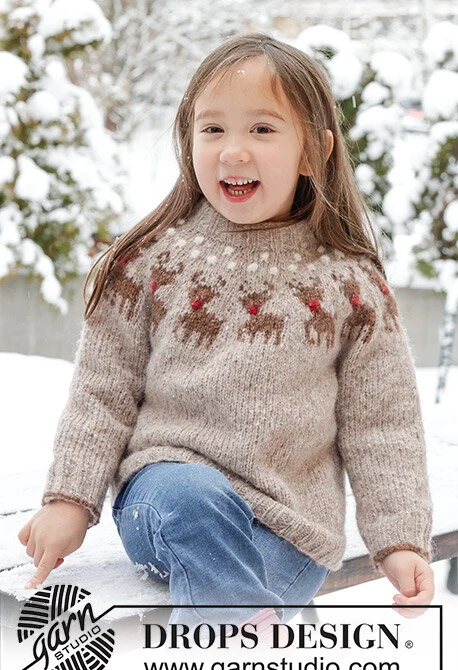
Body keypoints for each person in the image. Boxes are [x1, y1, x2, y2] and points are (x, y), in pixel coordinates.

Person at [19, 33, 434, 633]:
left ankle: (231, 648)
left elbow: (382, 425)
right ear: (188, 140)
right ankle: (241, 647)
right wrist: (69, 500)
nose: (233, 151)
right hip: (167, 495)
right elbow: (102, 393)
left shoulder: (350, 284)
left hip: (290, 530)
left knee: (240, 601)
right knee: (197, 507)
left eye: (262, 129)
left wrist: (399, 540)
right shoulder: (152, 261)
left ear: (313, 152)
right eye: (213, 129)